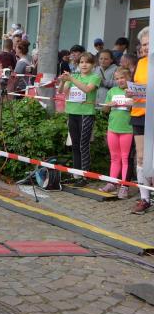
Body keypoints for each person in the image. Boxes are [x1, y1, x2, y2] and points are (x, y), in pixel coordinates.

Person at [58, 52, 100, 186]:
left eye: (87, 62)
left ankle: (85, 176)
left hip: (86, 114)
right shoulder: (74, 76)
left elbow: (87, 89)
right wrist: (63, 81)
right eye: (81, 62)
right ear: (78, 64)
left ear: (93, 65)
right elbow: (62, 92)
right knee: (75, 145)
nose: (84, 65)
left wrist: (71, 78)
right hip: (72, 112)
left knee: (83, 144)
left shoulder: (95, 77)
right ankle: (76, 175)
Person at [100, 68, 134, 199]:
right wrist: (108, 104)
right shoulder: (112, 91)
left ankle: (124, 186)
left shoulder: (132, 92)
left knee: (125, 158)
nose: (120, 80)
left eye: (122, 78)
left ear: (129, 78)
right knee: (114, 157)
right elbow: (104, 110)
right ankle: (112, 183)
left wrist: (131, 103)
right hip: (112, 129)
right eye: (117, 78)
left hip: (127, 129)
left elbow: (138, 110)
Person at [129, 27, 150, 214]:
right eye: (143, 44)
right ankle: (144, 198)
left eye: (148, 44)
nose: (145, 48)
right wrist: (131, 92)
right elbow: (136, 86)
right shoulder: (140, 63)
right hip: (139, 114)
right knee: (141, 156)